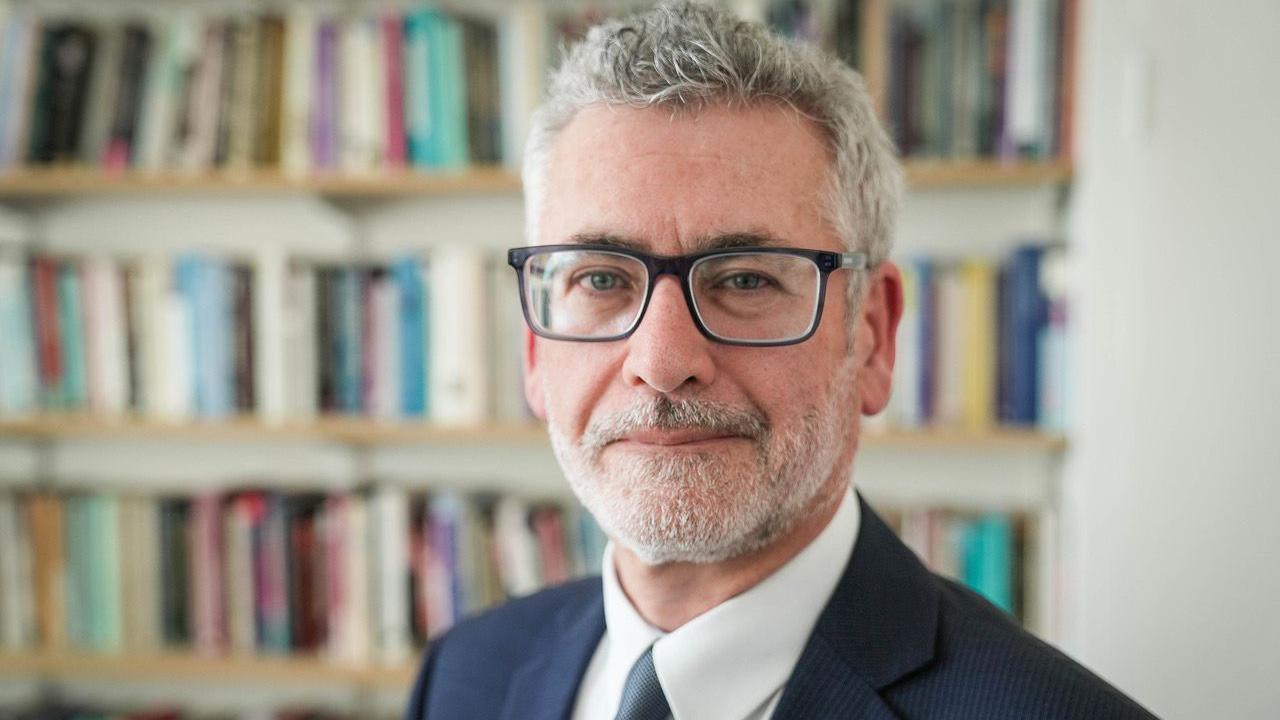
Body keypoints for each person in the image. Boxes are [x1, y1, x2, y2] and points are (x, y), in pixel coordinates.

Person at [404, 2, 1156, 718]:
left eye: (746, 280)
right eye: (600, 279)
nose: (662, 361)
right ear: (535, 349)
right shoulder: (465, 676)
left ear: (872, 335)